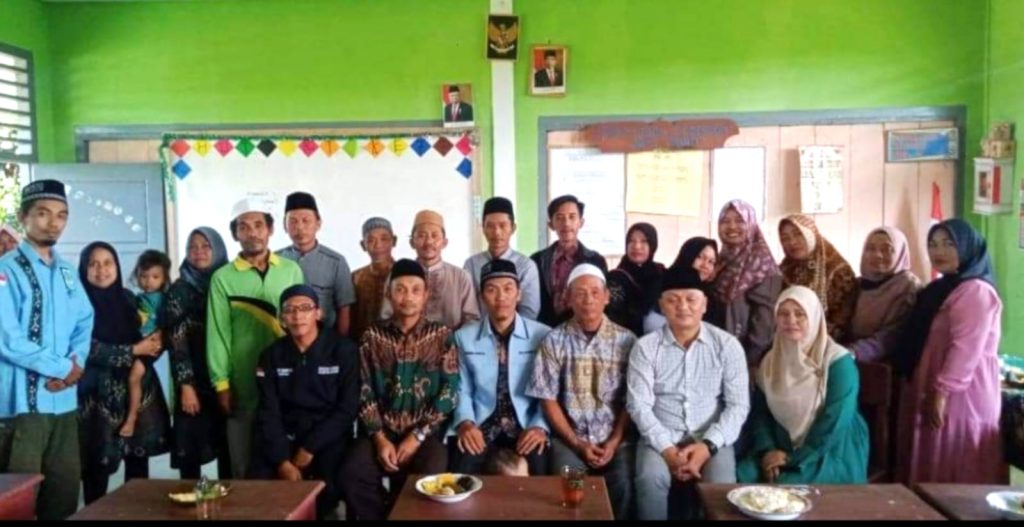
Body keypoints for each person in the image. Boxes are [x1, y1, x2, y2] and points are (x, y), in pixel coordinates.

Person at [0, 180, 93, 520]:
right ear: (23, 217)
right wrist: (62, 368)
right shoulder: (5, 270)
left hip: (64, 404)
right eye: (43, 213)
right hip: (21, 409)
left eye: (61, 215)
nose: (53, 223)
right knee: (18, 502)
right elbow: (7, 339)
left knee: (63, 496)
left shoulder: (67, 271)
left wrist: (75, 363)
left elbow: (84, 320)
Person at [628, 266, 750, 520]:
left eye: (691, 299)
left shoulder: (727, 345)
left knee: (721, 486)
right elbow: (638, 406)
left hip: (710, 436)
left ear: (704, 304)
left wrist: (707, 446)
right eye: (673, 300)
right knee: (650, 478)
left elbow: (738, 406)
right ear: (661, 306)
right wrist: (667, 449)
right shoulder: (645, 348)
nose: (683, 306)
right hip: (660, 435)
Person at [341, 259, 458, 520]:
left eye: (416, 290)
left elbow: (449, 392)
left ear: (426, 295)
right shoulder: (372, 336)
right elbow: (363, 389)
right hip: (379, 432)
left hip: (423, 434)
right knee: (352, 473)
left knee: (431, 474)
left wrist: (417, 435)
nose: (408, 297)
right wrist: (379, 438)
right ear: (389, 294)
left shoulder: (441, 335)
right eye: (400, 289)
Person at [894, 219, 1007, 485]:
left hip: (962, 393)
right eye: (933, 244)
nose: (939, 251)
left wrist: (942, 391)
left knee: (954, 461)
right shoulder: (941, 288)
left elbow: (965, 348)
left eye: (948, 244)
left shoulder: (976, 290)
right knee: (933, 456)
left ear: (967, 247)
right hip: (937, 385)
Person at [527, 263, 635, 520]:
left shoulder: (628, 341)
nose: (588, 300)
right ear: (568, 298)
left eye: (595, 292)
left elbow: (632, 401)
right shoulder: (554, 340)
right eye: (580, 293)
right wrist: (577, 443)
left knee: (621, 483)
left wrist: (613, 442)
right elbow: (547, 398)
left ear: (606, 297)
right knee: (570, 487)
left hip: (616, 440)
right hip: (570, 439)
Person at [207, 198, 305, 478]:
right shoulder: (223, 278)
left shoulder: (291, 270)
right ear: (235, 233)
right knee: (243, 463)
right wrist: (221, 383)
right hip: (243, 380)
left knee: (287, 465)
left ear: (270, 229)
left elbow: (304, 324)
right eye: (244, 227)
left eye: (258, 225)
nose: (252, 233)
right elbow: (218, 333)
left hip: (288, 378)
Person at [737, 286, 868, 485]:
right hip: (780, 445)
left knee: (783, 486)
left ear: (814, 317)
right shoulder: (771, 361)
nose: (791, 320)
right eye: (783, 314)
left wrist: (792, 459)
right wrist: (767, 450)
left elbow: (835, 419)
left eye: (800, 314)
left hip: (831, 449)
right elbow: (761, 414)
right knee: (739, 476)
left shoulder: (838, 362)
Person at [252, 285, 359, 519]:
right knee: (259, 487)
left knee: (328, 491)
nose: (297, 316)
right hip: (285, 436)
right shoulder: (271, 355)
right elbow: (268, 412)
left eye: (305, 308)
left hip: (326, 437)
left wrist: (309, 448)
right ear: (282, 317)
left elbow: (347, 409)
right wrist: (282, 461)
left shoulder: (344, 350)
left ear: (318, 313)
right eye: (290, 310)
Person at [78, 242, 170, 504]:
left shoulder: (130, 299)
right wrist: (133, 350)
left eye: (108, 263)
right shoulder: (77, 303)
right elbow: (85, 349)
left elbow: (156, 335)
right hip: (98, 398)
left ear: (117, 266)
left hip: (137, 392)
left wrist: (148, 353)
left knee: (137, 469)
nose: (101, 270)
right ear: (84, 269)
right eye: (93, 264)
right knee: (96, 467)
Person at [450, 259, 551, 476]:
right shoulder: (463, 337)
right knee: (461, 474)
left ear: (519, 294)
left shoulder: (542, 335)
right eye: (491, 290)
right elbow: (461, 388)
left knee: (540, 472)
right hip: (481, 424)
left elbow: (549, 391)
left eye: (508, 289)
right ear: (481, 296)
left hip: (525, 424)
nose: (501, 297)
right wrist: (466, 423)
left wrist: (539, 425)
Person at [161, 227, 231, 479]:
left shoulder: (227, 282)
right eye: (192, 246)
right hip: (193, 379)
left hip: (224, 377)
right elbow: (176, 341)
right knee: (190, 451)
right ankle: (189, 499)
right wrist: (186, 386)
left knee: (228, 448)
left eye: (205, 246)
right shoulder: (179, 290)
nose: (198, 252)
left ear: (218, 248)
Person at [381, 210, 479, 330]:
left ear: (444, 242)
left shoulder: (461, 277)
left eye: (434, 235)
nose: (428, 242)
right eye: (422, 236)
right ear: (412, 242)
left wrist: (454, 338)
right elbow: (385, 317)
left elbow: (472, 320)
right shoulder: (398, 275)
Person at [713, 201, 783, 367]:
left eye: (739, 221)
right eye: (725, 221)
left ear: (751, 224)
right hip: (715, 351)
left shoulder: (763, 266)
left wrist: (747, 362)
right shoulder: (719, 261)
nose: (732, 226)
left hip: (743, 357)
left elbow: (764, 326)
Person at [278, 192, 356, 336]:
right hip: (283, 339)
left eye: (306, 221)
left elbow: (344, 309)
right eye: (293, 221)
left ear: (318, 224)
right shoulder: (275, 260)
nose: (300, 227)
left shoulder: (336, 262)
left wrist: (340, 344)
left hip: (325, 338)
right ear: (285, 225)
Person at [530, 195, 608, 328]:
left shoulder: (595, 261)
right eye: (559, 218)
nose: (566, 223)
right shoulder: (537, 260)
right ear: (551, 224)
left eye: (572, 217)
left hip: (582, 328)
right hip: (545, 330)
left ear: (581, 222)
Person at [778, 214, 858, 342]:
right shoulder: (783, 271)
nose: (792, 242)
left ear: (811, 234)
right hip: (788, 341)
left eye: (798, 234)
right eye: (785, 238)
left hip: (829, 343)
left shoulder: (839, 271)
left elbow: (841, 320)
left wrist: (811, 342)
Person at [846, 227, 920, 362]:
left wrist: (853, 352)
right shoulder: (856, 284)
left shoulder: (907, 286)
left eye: (886, 249)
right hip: (848, 357)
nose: (877, 255)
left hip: (886, 365)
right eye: (870, 248)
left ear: (900, 252)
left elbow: (893, 335)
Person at [120, 249, 171, 438]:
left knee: (134, 377)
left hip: (151, 346)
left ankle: (132, 418)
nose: (148, 281)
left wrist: (158, 337)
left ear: (164, 279)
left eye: (155, 277)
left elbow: (166, 323)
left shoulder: (162, 299)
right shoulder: (140, 298)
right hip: (139, 343)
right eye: (143, 276)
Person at [463, 197, 541, 320]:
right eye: (490, 226)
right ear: (483, 229)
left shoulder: (526, 266)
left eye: (502, 225)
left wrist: (506, 328)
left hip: (517, 331)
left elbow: (529, 312)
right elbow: (468, 307)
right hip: (478, 330)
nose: (497, 232)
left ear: (513, 228)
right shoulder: (471, 264)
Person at [607, 223, 665, 337]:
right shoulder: (616, 278)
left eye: (644, 241)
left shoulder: (662, 273)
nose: (637, 246)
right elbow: (614, 316)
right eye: (631, 241)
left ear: (653, 245)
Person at [351, 217, 396, 341]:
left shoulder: (404, 275)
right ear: (363, 245)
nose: (378, 245)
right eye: (371, 240)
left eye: (384, 239)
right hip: (362, 344)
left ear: (394, 241)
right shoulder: (356, 278)